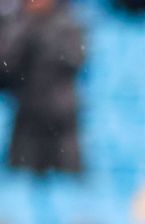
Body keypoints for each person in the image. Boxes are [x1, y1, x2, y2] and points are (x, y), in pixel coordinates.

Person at [0, 0, 85, 175]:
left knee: (67, 181)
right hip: (26, 116)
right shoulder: (16, 25)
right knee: (21, 179)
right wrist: (26, 28)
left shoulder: (69, 24)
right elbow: (6, 66)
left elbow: (74, 60)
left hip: (61, 120)